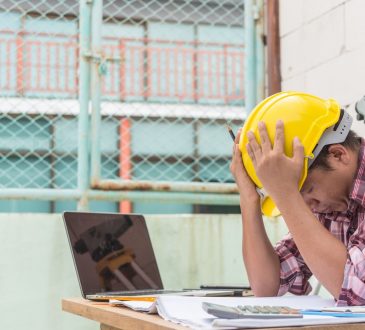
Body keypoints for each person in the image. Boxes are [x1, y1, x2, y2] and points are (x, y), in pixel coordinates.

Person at [230, 91, 364, 306]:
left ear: (338, 155)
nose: (307, 207)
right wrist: (249, 200)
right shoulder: (329, 205)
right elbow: (267, 286)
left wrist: (286, 193)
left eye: (308, 189)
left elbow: (358, 293)